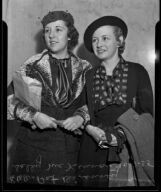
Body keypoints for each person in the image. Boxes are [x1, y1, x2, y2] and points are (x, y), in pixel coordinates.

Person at [7, 10, 92, 185]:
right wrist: (34, 116)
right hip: (32, 148)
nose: (51, 35)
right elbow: (10, 98)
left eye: (58, 29)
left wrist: (80, 116)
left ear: (70, 35)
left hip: (71, 150)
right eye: (47, 30)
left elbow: (93, 103)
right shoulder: (32, 64)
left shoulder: (85, 68)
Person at [77, 16, 154, 188]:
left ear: (119, 41)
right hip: (92, 147)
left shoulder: (137, 71)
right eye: (95, 40)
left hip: (126, 149)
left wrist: (120, 136)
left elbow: (147, 114)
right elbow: (82, 110)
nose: (99, 44)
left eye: (105, 38)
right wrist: (90, 129)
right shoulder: (88, 76)